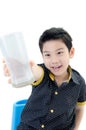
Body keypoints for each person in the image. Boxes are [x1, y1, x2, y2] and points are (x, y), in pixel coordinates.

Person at [3, 27, 86, 130]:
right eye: (47, 55)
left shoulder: (79, 82)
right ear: (42, 56)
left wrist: (75, 128)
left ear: (71, 52)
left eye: (59, 53)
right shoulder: (42, 73)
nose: (54, 60)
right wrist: (24, 69)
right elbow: (35, 72)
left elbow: (80, 108)